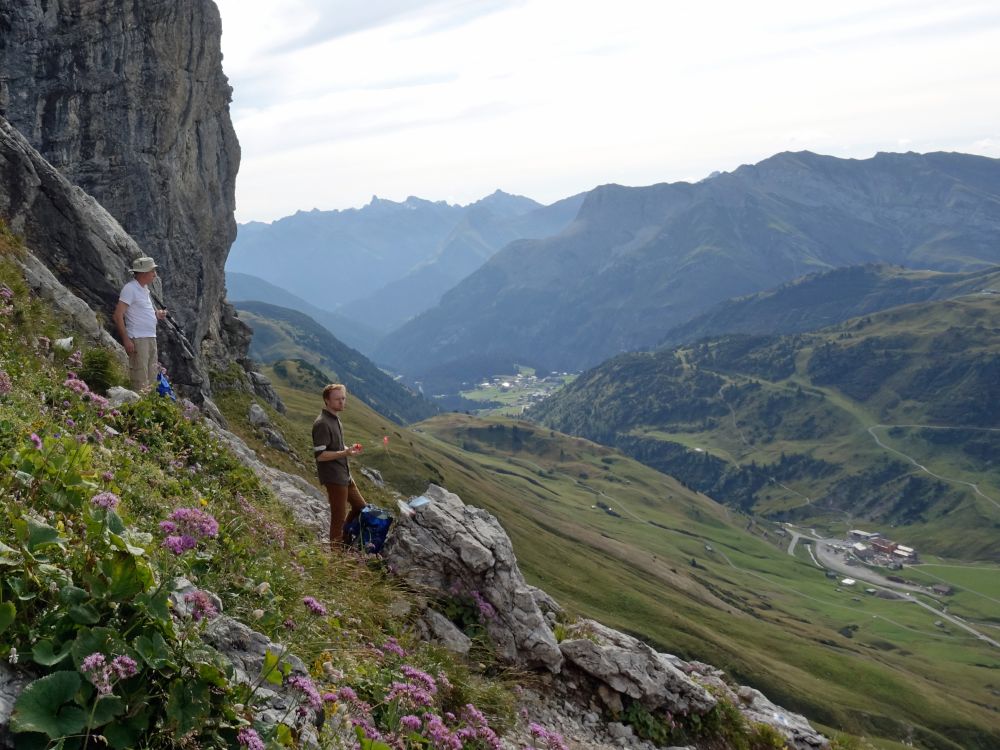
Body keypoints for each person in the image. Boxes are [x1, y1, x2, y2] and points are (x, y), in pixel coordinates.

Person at [312, 384, 367, 549]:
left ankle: (344, 539)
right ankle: (336, 557)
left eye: (343, 398)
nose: (342, 402)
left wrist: (348, 449)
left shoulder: (335, 419)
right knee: (338, 517)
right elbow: (320, 456)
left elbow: (335, 447)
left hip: (344, 474)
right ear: (327, 401)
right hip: (334, 477)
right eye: (337, 399)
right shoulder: (322, 423)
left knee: (361, 507)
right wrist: (345, 453)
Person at [113, 256, 167, 392]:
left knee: (151, 377)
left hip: (150, 337)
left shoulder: (144, 289)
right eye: (152, 271)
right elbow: (118, 315)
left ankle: (148, 408)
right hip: (138, 338)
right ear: (143, 273)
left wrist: (157, 314)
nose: (154, 275)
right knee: (140, 378)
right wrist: (126, 340)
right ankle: (138, 407)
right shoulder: (130, 288)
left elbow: (141, 311)